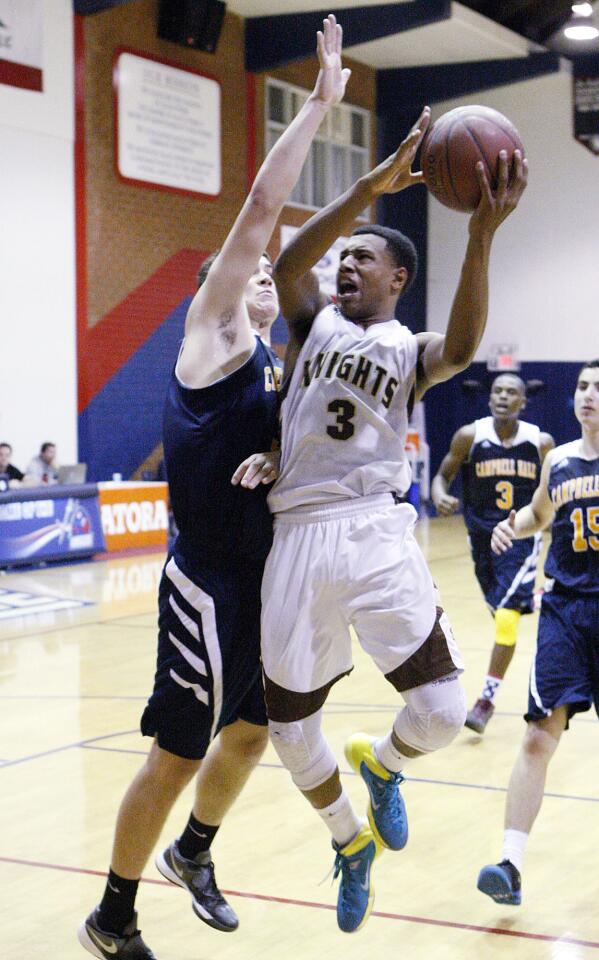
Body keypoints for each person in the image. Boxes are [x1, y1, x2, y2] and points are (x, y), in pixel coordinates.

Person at [79, 17, 350, 960]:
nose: (266, 275)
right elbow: (262, 209)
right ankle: (111, 916)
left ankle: (192, 852)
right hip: (206, 581)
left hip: (265, 576)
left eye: (274, 275)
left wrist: (284, 458)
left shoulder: (277, 371)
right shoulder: (211, 336)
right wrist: (318, 106)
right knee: (180, 750)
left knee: (255, 731)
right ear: (219, 290)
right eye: (252, 270)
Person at [260, 112, 527, 933]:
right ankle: (348, 842)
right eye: (342, 257)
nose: (344, 266)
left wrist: (480, 236)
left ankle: (384, 766)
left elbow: (467, 342)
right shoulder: (313, 325)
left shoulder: (411, 350)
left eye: (362, 258)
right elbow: (287, 260)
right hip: (297, 532)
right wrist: (364, 192)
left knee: (444, 713)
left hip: (377, 529)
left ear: (396, 279)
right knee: (288, 730)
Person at [476, 360, 599, 906]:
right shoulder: (561, 460)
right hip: (566, 611)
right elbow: (539, 513)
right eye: (583, 386)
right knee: (536, 736)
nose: (588, 395)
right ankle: (510, 864)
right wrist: (513, 525)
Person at [431, 375, 554, 733]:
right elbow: (442, 475)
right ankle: (535, 596)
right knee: (500, 610)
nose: (502, 396)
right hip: (481, 540)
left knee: (506, 618)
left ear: (522, 402)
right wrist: (440, 495)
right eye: (497, 390)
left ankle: (485, 699)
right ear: (489, 400)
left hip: (520, 539)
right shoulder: (470, 436)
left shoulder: (540, 443)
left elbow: (554, 491)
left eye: (511, 392)